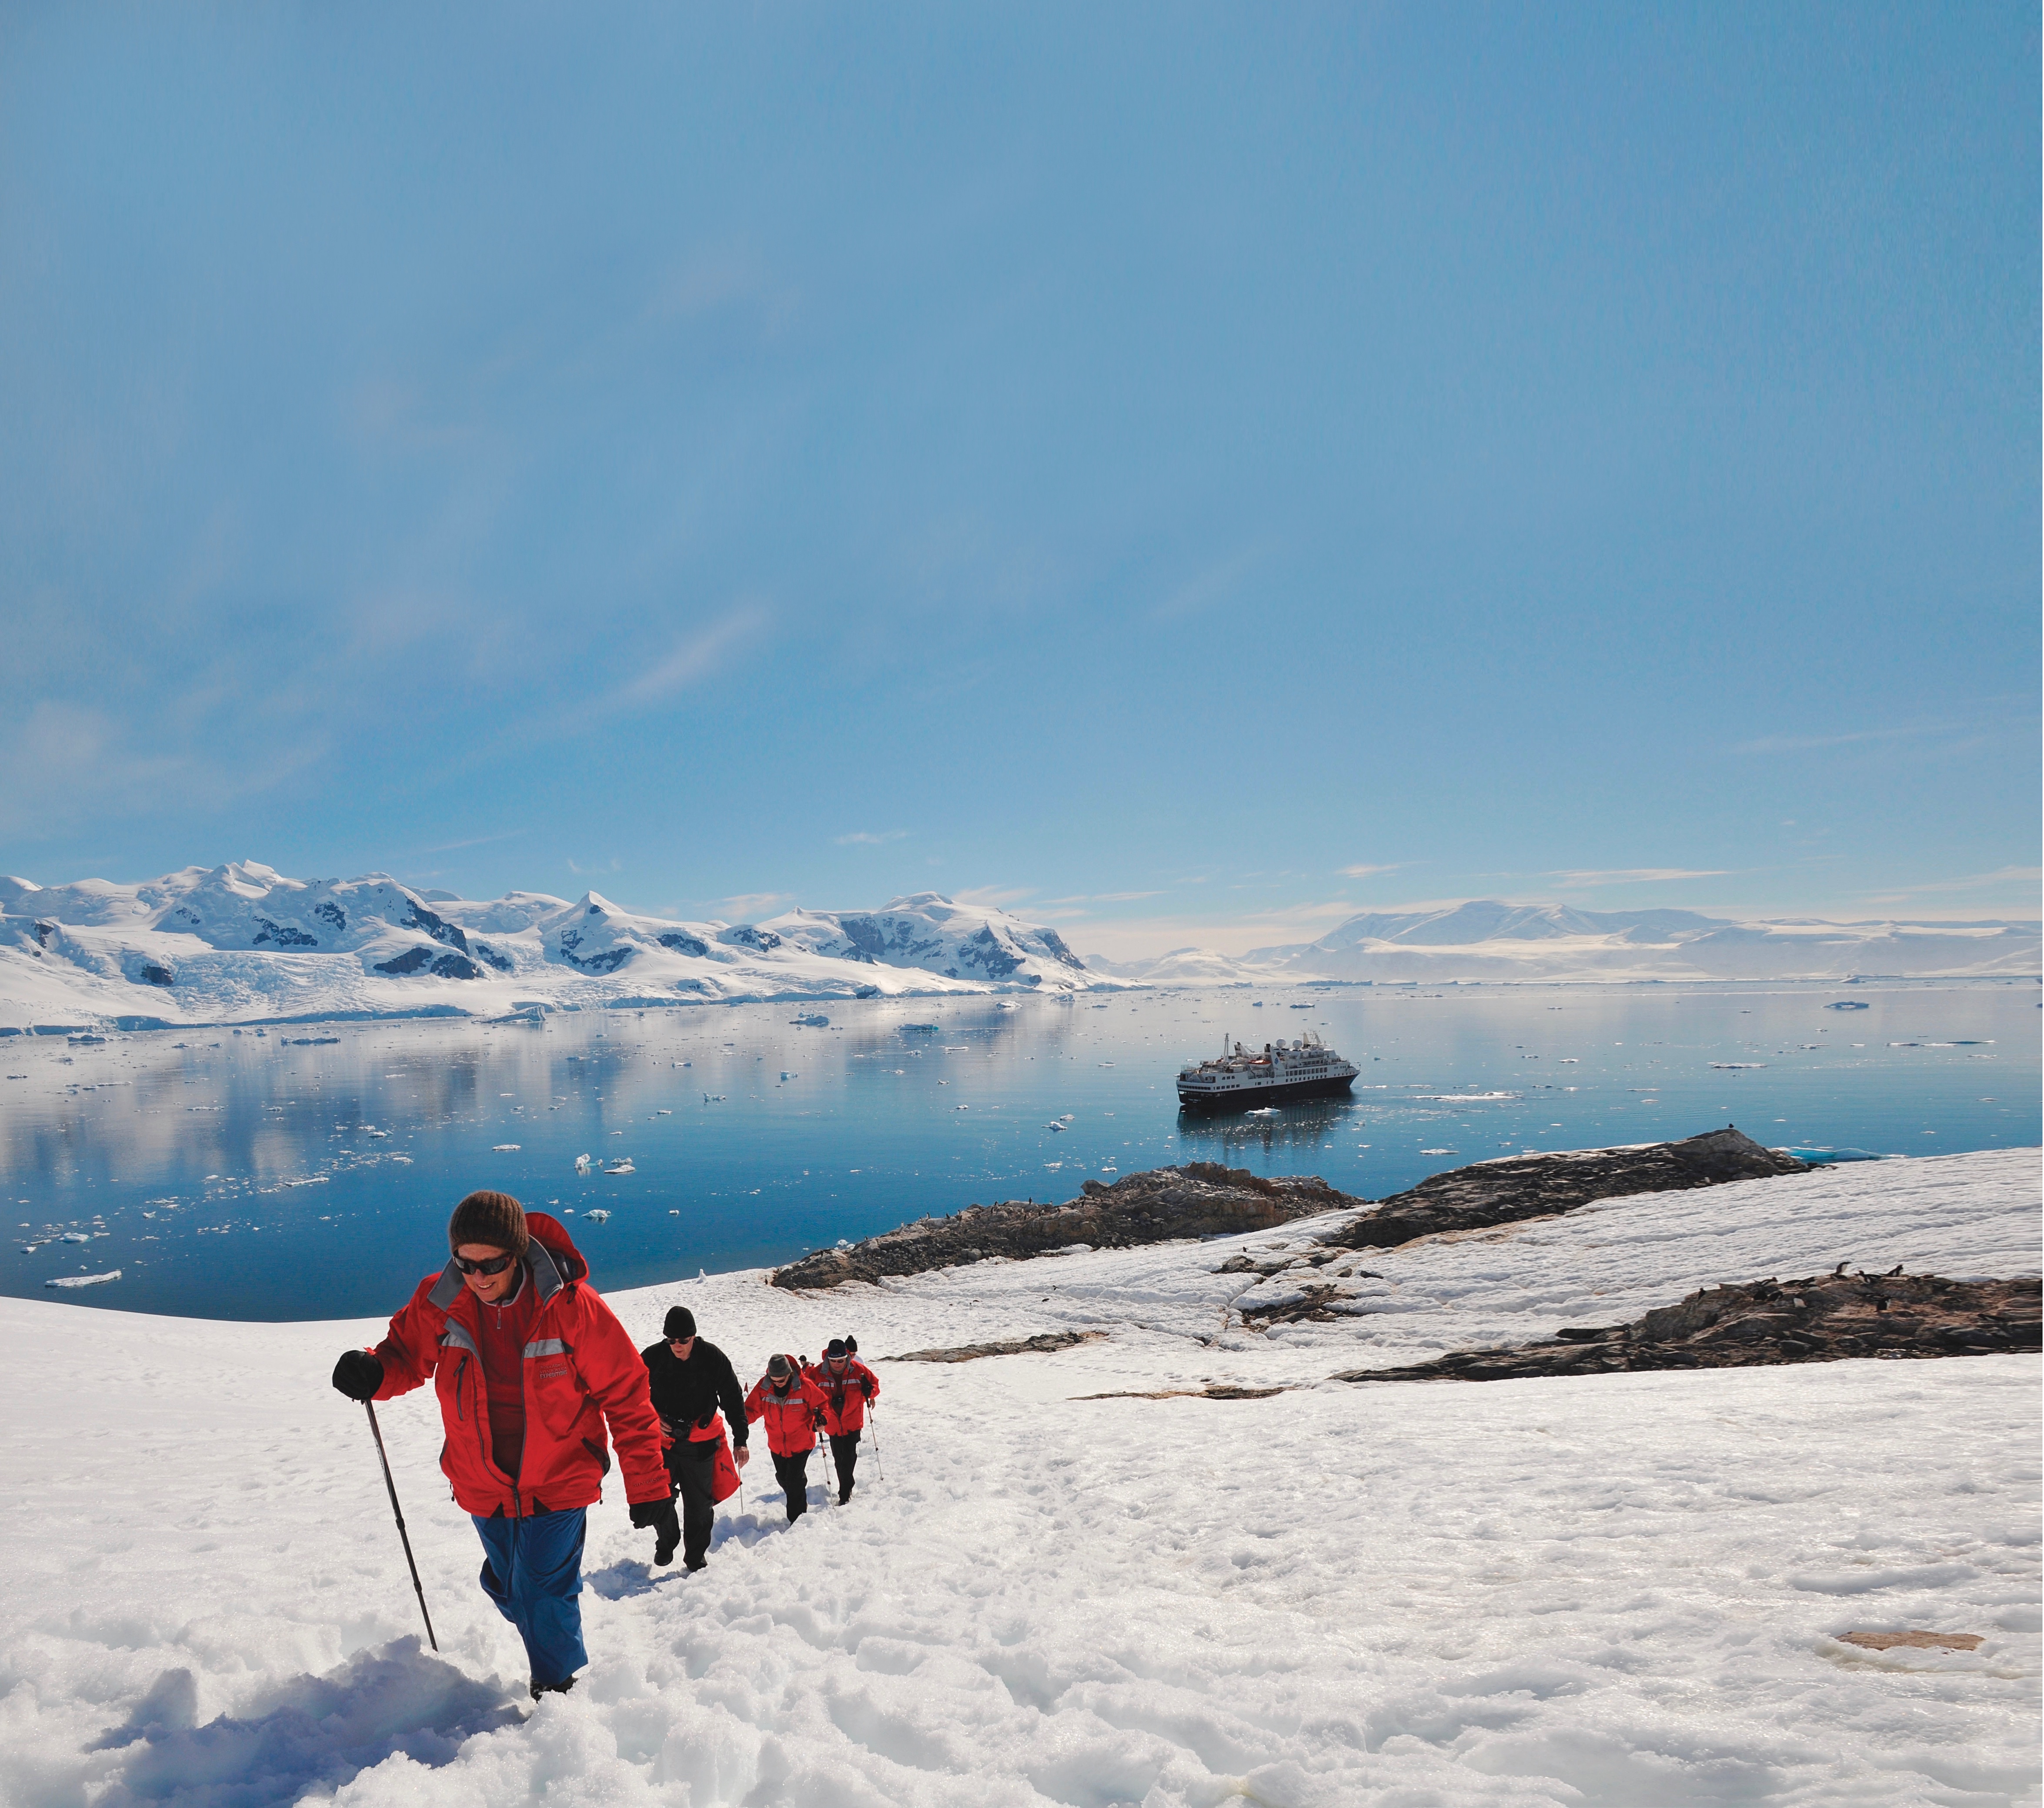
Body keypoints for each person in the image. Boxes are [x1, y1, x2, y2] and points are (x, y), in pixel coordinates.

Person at [330, 1191, 668, 1700]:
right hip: (482, 1482)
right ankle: (537, 1613)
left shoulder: (573, 1307)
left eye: (493, 1264)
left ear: (518, 1253)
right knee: (516, 1587)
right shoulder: (441, 1299)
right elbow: (403, 1355)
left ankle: (556, 1688)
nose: (479, 1276)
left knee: (538, 1587)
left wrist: (649, 1487)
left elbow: (625, 1394)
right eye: (465, 1264)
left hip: (560, 1477)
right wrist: (373, 1372)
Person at [638, 1306, 749, 1570]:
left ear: (694, 1336)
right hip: (663, 1443)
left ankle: (695, 1557)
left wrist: (741, 1439)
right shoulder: (653, 1357)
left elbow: (733, 1398)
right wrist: (653, 1416)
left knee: (699, 1507)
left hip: (700, 1443)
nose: (677, 1345)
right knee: (659, 1495)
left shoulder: (712, 1358)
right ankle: (667, 1541)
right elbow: (633, 1395)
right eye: (671, 1340)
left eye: (683, 1340)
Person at [744, 1353, 829, 1523]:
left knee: (793, 1481)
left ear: (789, 1374)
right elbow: (752, 1409)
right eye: (773, 1379)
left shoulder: (804, 1386)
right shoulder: (764, 1386)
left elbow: (822, 1405)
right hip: (776, 1444)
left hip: (801, 1442)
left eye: (781, 1380)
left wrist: (820, 1419)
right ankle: (798, 1487)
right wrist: (740, 1420)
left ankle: (797, 1520)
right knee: (784, 1478)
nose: (777, 1383)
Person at [805, 1337, 881, 1505]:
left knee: (849, 1456)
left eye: (841, 1360)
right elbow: (807, 1395)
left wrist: (870, 1391)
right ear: (828, 1359)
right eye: (834, 1361)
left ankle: (845, 1492)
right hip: (831, 1423)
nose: (838, 1364)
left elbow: (875, 1386)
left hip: (852, 1421)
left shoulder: (859, 1370)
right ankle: (846, 1487)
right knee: (839, 1459)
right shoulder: (817, 1374)